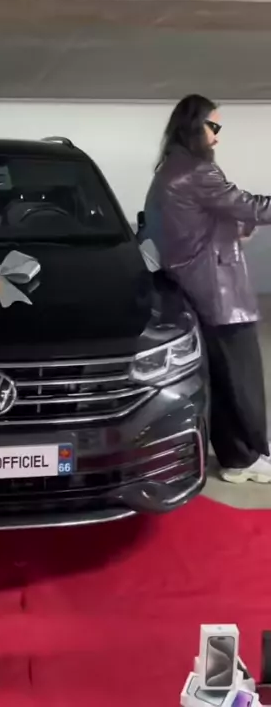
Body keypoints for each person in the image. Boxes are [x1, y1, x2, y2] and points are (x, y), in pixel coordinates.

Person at [143, 94, 271, 485]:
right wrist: (244, 221)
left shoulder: (170, 169)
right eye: (212, 126)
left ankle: (240, 455)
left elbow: (205, 222)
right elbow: (250, 206)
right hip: (219, 291)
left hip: (195, 286)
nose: (217, 135)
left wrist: (238, 225)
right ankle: (248, 456)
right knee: (242, 380)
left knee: (224, 377)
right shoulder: (197, 171)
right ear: (193, 125)